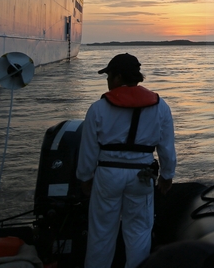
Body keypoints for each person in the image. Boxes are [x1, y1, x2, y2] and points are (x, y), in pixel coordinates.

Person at [77, 53, 177, 268]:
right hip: (142, 176)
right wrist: (167, 176)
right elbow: (167, 148)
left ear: (118, 77)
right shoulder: (161, 107)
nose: (106, 81)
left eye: (108, 75)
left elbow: (88, 150)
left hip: (107, 175)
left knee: (101, 233)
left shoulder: (98, 109)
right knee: (139, 231)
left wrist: (85, 178)